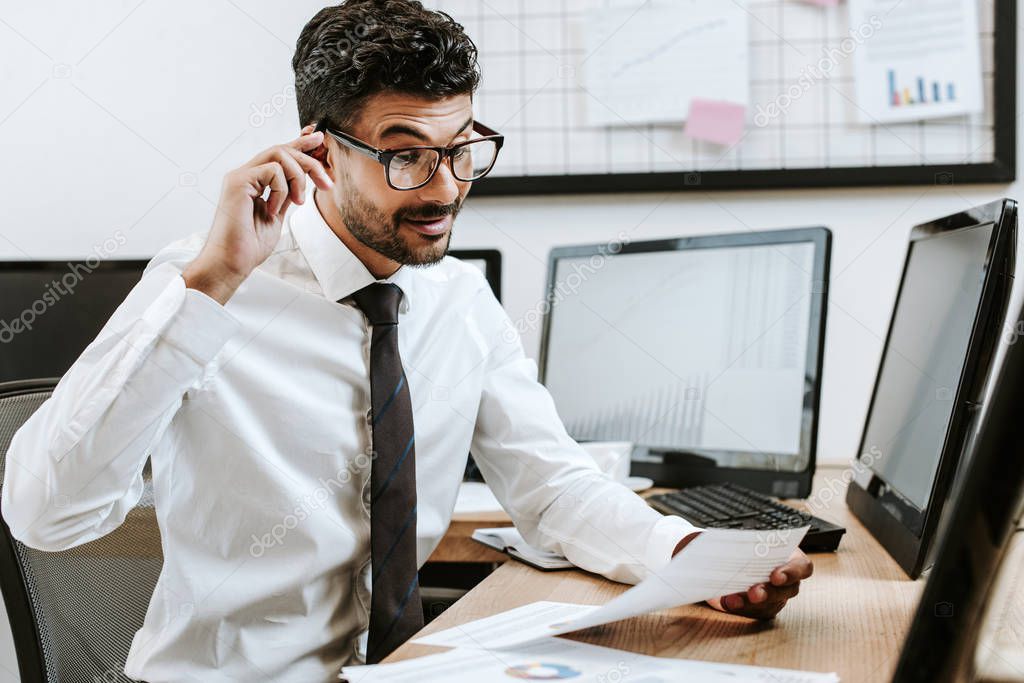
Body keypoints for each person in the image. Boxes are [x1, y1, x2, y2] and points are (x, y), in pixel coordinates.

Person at [1, 1, 812, 681]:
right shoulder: (204, 284)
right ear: (319, 150)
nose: (446, 187)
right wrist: (207, 286)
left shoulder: (459, 299)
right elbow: (43, 512)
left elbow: (554, 488)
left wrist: (689, 552)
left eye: (461, 148)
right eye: (406, 157)